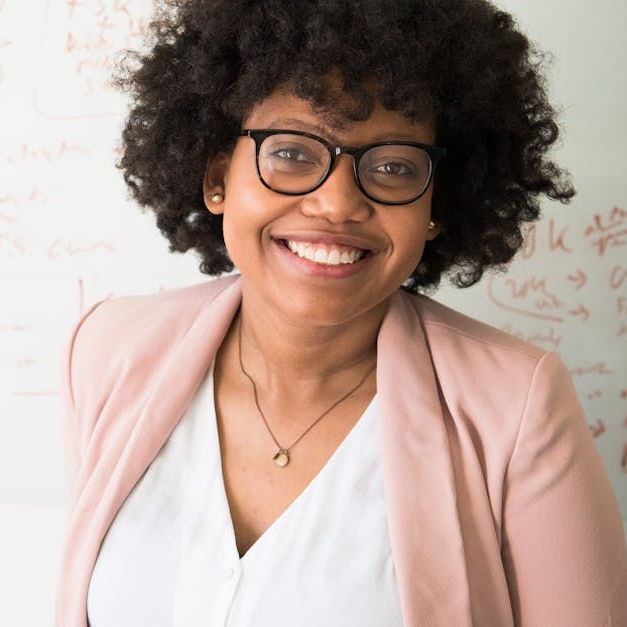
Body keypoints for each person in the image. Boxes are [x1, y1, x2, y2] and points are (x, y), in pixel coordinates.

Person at [55, 0, 627, 625]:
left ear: (437, 204)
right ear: (218, 176)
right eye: (293, 153)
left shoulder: (517, 407)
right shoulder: (107, 350)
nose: (336, 204)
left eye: (392, 166)